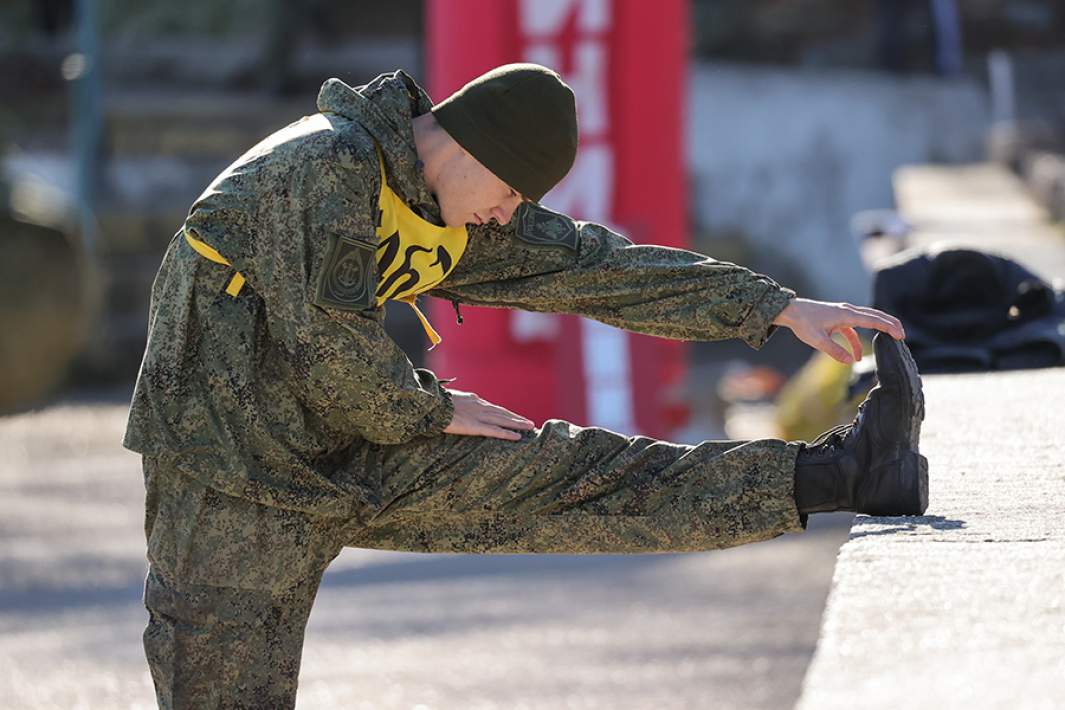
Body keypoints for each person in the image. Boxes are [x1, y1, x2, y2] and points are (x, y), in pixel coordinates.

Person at [124, 63, 927, 709]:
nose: (506, 218)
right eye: (509, 195)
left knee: (578, 477)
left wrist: (775, 308)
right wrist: (431, 409)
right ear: (473, 152)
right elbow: (328, 349)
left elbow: (598, 269)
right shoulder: (323, 164)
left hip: (359, 440)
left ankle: (840, 474)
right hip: (232, 478)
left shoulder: (442, 196)